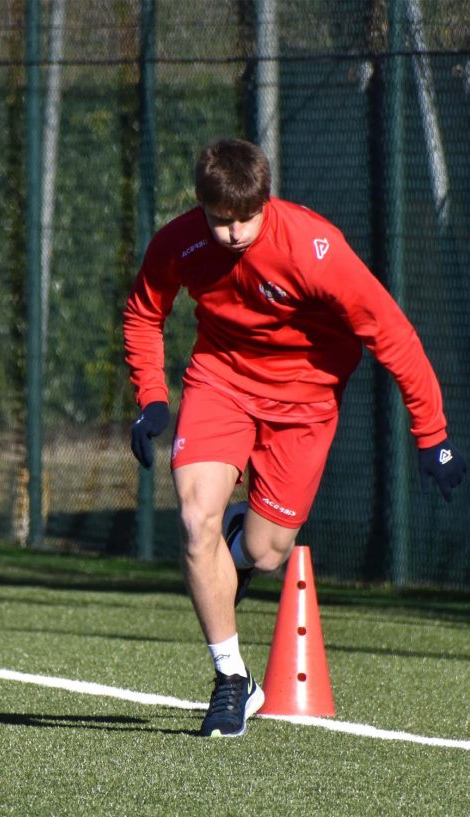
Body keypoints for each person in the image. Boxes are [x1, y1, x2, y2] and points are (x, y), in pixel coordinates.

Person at [123, 138, 465, 738]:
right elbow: (144, 312)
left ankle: (237, 540)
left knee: (264, 554)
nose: (231, 233)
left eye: (245, 219)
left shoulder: (314, 249)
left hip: (304, 404)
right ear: (201, 206)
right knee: (193, 521)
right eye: (219, 219)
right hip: (220, 383)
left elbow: (392, 334)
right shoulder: (178, 242)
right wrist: (151, 398)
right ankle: (232, 681)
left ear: (265, 201)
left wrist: (431, 434)